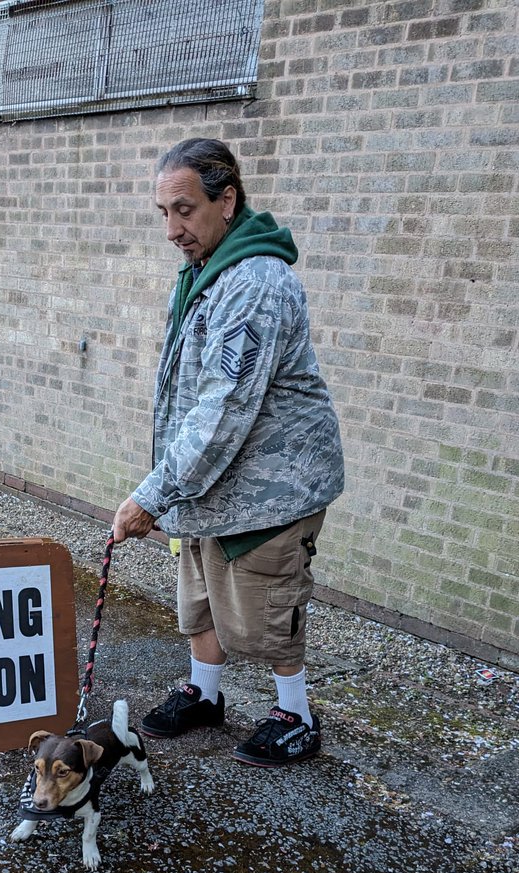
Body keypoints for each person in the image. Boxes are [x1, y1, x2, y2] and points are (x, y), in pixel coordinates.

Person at [112, 137, 344, 767]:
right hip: (211, 483)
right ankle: (205, 694)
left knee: (267, 608)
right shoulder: (203, 273)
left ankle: (295, 714)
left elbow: (223, 410)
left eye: (184, 210)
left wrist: (154, 491)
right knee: (200, 596)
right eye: (163, 213)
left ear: (227, 200)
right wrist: (173, 484)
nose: (171, 229)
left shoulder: (257, 283)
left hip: (273, 485)